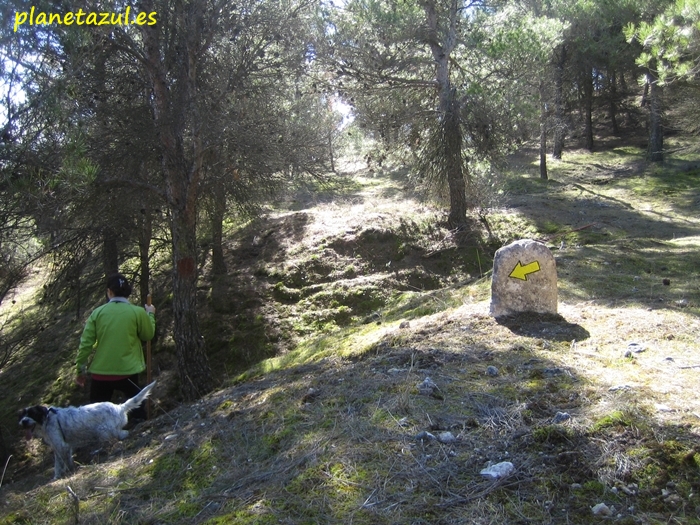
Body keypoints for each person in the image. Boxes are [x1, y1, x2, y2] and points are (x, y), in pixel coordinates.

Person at [75, 273, 156, 423]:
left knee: (95, 416)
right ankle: (140, 433)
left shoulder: (97, 313)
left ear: (109, 292)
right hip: (128, 371)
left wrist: (80, 370)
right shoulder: (137, 312)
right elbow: (148, 335)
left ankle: (100, 442)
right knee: (136, 408)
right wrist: (150, 315)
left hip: (101, 373)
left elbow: (85, 344)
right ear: (128, 292)